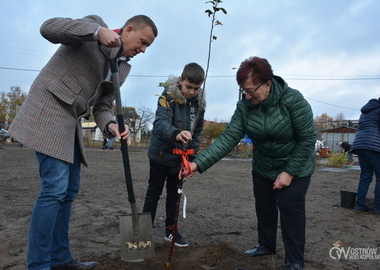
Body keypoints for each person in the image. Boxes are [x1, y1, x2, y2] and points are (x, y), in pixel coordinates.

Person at [9, 14, 157, 270]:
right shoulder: (92, 27)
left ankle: (60, 258)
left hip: (72, 121)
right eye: (142, 42)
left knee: (68, 191)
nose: (143, 50)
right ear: (128, 29)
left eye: (147, 47)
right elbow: (49, 28)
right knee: (54, 188)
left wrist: (110, 124)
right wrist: (96, 31)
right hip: (51, 108)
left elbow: (102, 105)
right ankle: (39, 265)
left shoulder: (122, 67)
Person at [186, 57, 316, 270]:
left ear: (268, 84)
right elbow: (229, 137)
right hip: (264, 165)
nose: (247, 95)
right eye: (243, 91)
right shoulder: (245, 107)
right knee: (264, 208)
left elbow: (308, 139)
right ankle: (266, 245)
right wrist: (197, 164)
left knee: (290, 208)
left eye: (251, 90)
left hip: (296, 164)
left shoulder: (293, 101)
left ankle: (294, 260)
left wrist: (289, 173)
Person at [142, 63, 206, 248]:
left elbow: (197, 133)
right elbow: (160, 123)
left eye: (196, 88)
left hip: (180, 159)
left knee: (174, 195)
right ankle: (144, 232)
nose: (192, 92)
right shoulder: (167, 97)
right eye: (188, 87)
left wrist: (190, 160)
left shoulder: (199, 105)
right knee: (153, 194)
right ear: (180, 80)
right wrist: (176, 133)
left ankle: (171, 230)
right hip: (160, 155)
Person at [351, 98, 380, 213]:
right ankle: (378, 206)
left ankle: (361, 204)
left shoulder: (366, 111)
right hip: (372, 145)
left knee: (366, 175)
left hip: (359, 144)